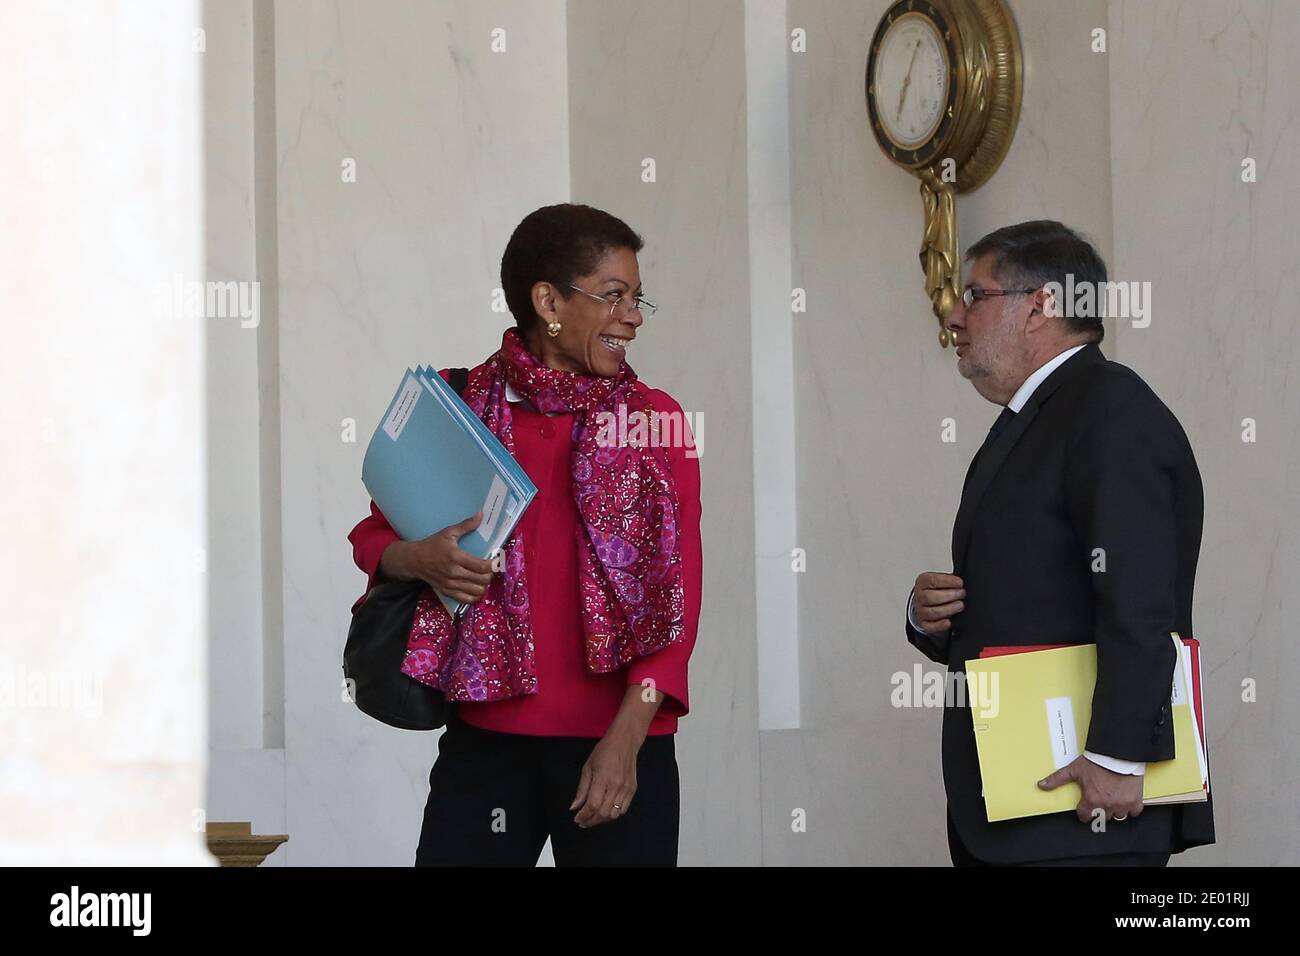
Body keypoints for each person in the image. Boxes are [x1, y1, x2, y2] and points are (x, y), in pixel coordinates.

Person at [348, 203, 702, 866]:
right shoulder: (456, 407)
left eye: (637, 296)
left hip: (621, 741)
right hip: (487, 741)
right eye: (614, 296)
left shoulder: (658, 423)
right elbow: (373, 537)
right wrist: (415, 558)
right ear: (548, 301)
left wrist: (628, 739)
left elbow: (679, 597)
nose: (634, 316)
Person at [906, 220, 1215, 866]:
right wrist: (928, 617)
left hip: (1084, 808)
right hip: (1016, 806)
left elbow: (1138, 595)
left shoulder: (1110, 411)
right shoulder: (1036, 417)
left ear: (1041, 306)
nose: (955, 315)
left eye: (975, 295)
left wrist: (1116, 755)